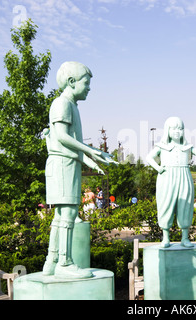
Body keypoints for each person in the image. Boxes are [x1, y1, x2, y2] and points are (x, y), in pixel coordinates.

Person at [42, 61, 117, 279]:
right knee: (68, 213)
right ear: (72, 82)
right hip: (62, 164)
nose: (89, 88)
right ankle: (64, 262)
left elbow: (72, 144)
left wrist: (94, 161)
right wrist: (93, 151)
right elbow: (62, 137)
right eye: (86, 83)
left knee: (61, 214)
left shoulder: (71, 105)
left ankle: (52, 261)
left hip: (68, 163)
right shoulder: (62, 104)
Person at [146, 116, 196, 248]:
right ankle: (165, 237)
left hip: (184, 176)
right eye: (174, 129)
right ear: (167, 130)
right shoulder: (162, 146)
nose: (177, 132)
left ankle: (185, 237)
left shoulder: (187, 147)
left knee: (185, 205)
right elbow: (149, 157)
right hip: (166, 177)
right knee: (165, 204)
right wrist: (158, 168)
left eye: (180, 129)